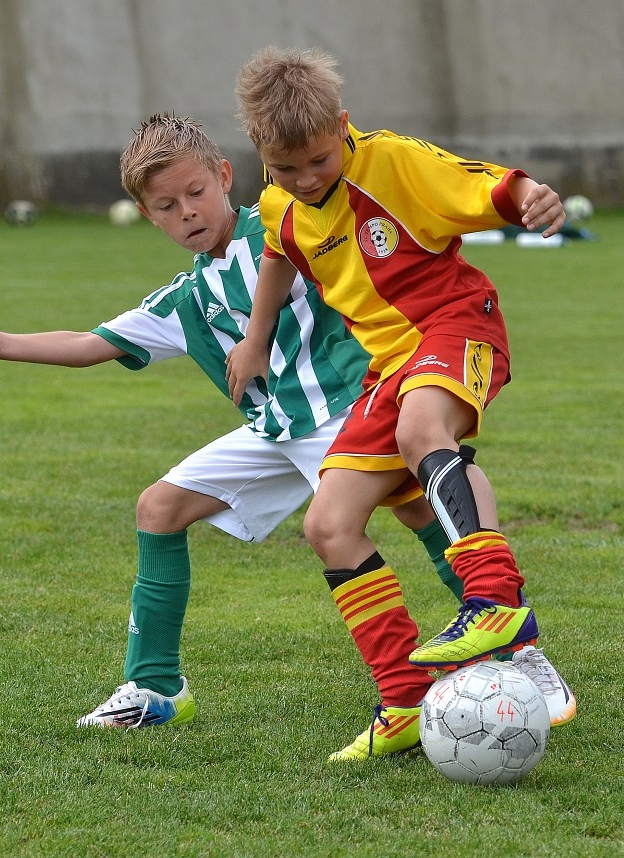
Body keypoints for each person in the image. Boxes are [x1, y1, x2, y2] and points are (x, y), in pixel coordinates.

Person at [0, 114, 573, 760]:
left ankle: (518, 648)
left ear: (225, 176)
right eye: (167, 206)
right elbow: (91, 343)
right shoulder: (185, 300)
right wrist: (1, 343)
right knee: (159, 507)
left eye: (196, 193)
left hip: (350, 407)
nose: (187, 213)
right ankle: (155, 688)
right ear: (148, 216)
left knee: (421, 506)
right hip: (274, 432)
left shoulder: (288, 216)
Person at [226, 47, 577, 749]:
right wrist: (255, 338)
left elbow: (483, 184)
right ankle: (405, 699)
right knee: (329, 525)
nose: (304, 179)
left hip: (456, 325)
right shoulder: (278, 201)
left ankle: (493, 601)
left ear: (343, 127)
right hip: (386, 368)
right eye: (285, 168)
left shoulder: (391, 162)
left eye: (318, 160)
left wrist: (530, 196)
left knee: (423, 429)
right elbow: (277, 251)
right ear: (262, 155)